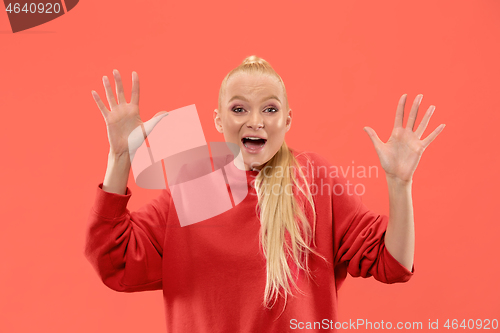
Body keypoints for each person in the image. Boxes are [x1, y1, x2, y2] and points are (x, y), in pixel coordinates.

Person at [84, 55, 445, 332]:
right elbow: (113, 259)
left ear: (287, 120)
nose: (255, 120)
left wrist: (400, 184)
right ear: (218, 119)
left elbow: (393, 262)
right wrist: (120, 158)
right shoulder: (191, 188)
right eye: (239, 108)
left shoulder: (314, 180)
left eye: (269, 109)